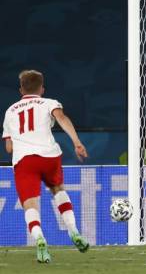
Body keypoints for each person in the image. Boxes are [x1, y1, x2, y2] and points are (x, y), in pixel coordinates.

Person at [2, 70, 89, 263]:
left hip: (25, 160)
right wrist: (76, 142)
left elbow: (9, 147)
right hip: (49, 156)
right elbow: (62, 118)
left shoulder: (10, 111)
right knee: (58, 190)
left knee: (30, 205)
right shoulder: (49, 102)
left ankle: (40, 239)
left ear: (20, 89)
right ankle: (74, 231)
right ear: (42, 88)